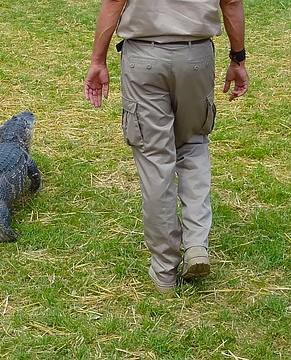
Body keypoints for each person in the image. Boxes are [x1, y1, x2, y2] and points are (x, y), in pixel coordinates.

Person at [84, 0, 249, 293]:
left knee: (155, 158)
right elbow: (232, 3)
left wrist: (98, 61)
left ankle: (164, 270)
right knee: (194, 144)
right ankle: (196, 243)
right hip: (196, 56)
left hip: (143, 56)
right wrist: (238, 58)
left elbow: (113, 2)